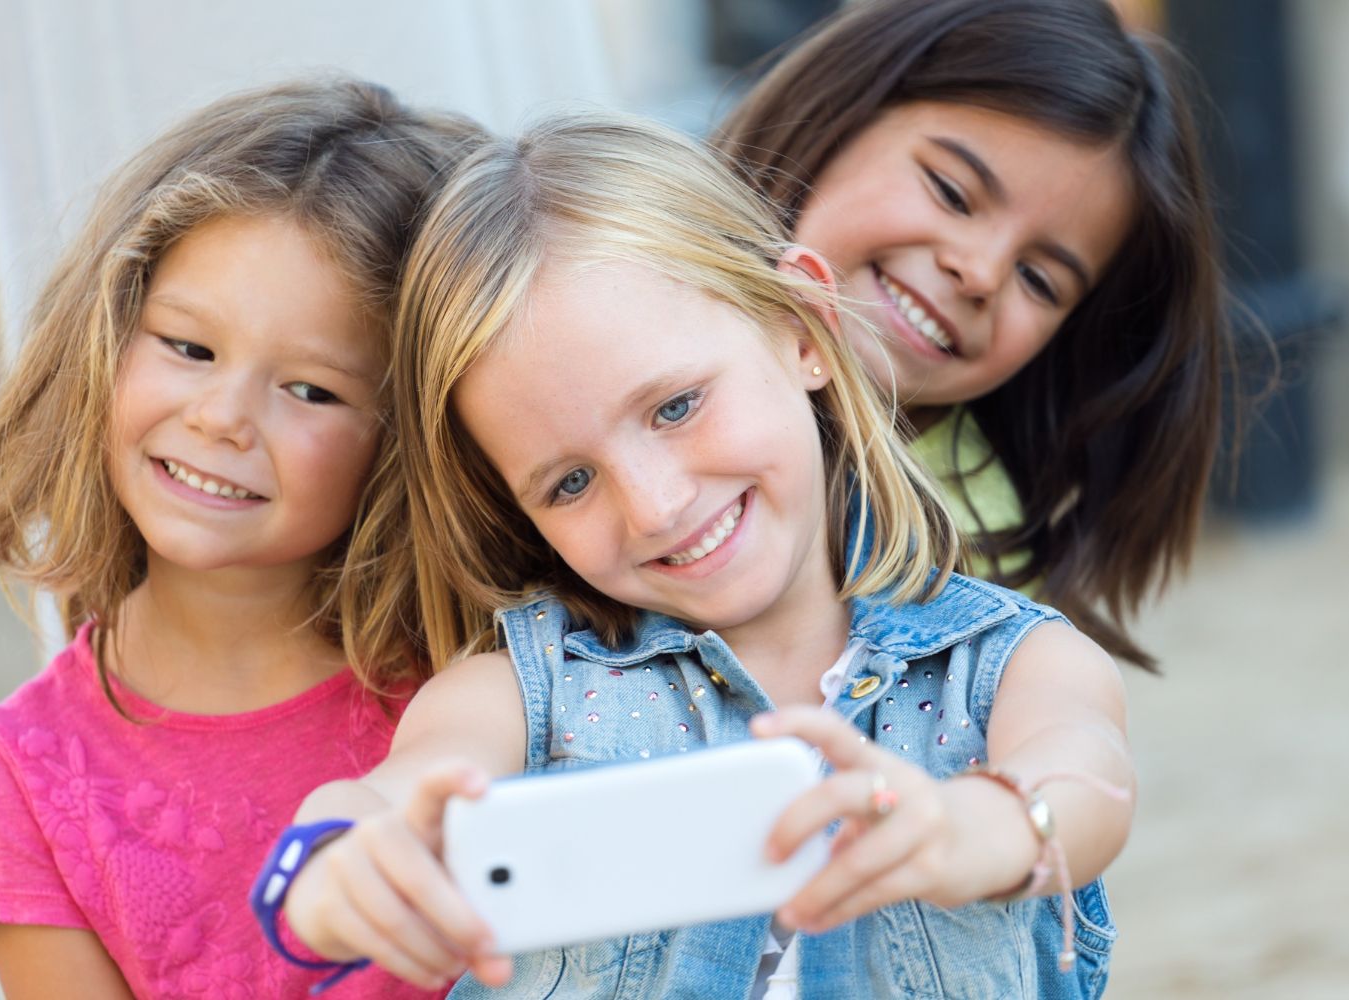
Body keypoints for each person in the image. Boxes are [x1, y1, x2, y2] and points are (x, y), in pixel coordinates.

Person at [273, 112, 1134, 1000]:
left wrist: (969, 830)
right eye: (569, 483)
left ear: (801, 328)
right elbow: (391, 796)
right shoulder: (519, 696)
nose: (655, 505)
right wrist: (335, 863)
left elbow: (1088, 782)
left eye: (676, 407)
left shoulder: (1014, 665)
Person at [0, 78, 481, 998]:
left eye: (312, 389)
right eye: (188, 348)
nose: (224, 419)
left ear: (411, 443)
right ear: (104, 337)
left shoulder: (481, 685)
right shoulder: (26, 774)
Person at [715, 0, 1227, 669]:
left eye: (1040, 280)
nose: (980, 273)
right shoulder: (609, 296)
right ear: (840, 112)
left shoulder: (968, 545)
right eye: (953, 193)